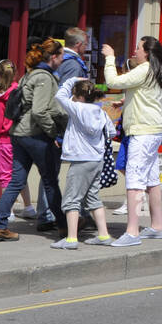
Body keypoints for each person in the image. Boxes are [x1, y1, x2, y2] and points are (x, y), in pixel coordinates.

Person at [0, 40, 67, 242]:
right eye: (61, 55)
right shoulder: (44, 78)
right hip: (35, 135)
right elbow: (40, 111)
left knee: (16, 181)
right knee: (50, 181)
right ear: (54, 57)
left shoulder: (28, 76)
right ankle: (65, 226)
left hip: (18, 135)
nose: (63, 59)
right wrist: (53, 133)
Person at [103, 36, 162, 244]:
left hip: (142, 131)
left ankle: (132, 232)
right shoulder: (156, 70)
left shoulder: (143, 69)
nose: (134, 51)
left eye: (138, 48)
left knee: (134, 180)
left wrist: (110, 58)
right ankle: (157, 226)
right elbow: (147, 96)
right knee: (151, 180)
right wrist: (127, 100)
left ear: (147, 52)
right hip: (152, 130)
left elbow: (112, 82)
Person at [50, 76, 114, 249]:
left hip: (80, 160)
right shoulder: (100, 111)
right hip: (96, 160)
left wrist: (71, 80)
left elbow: (59, 96)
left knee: (71, 199)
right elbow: (112, 132)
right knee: (92, 198)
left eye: (74, 95)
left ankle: (71, 238)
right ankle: (103, 234)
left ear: (78, 96)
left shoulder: (77, 108)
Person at [0, 60, 34, 221]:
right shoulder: (20, 91)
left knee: (6, 177)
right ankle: (28, 207)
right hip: (21, 139)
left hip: (5, 142)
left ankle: (8, 211)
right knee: (20, 175)